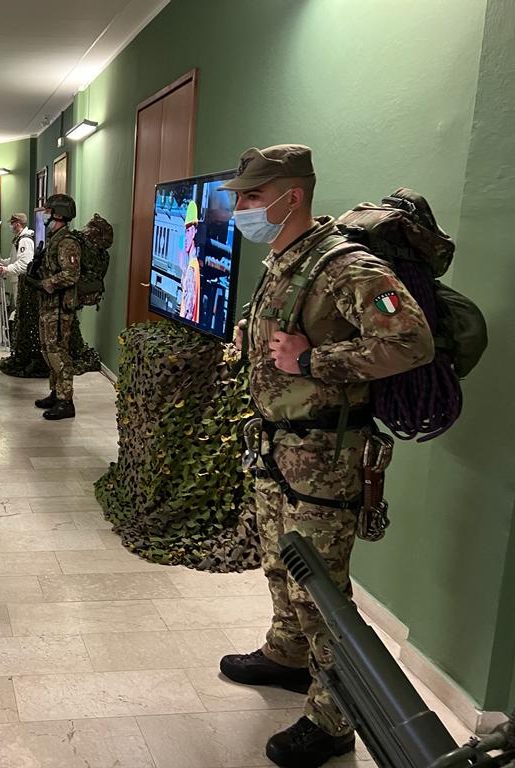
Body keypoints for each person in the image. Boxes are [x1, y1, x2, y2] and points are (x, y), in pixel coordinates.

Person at [218, 144, 434, 768]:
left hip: (324, 454)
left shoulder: (346, 266)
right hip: (276, 444)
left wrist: (313, 360)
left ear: (293, 197)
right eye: (240, 197)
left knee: (322, 594)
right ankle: (287, 655)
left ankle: (334, 718)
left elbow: (411, 342)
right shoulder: (286, 260)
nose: (242, 208)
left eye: (252, 197)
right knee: (278, 564)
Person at [32, 193, 82, 421]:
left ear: (59, 214)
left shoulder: (67, 242)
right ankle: (56, 392)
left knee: (57, 352)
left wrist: (46, 283)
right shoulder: (54, 238)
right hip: (48, 305)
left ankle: (66, 401)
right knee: (47, 350)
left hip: (60, 308)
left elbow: (71, 274)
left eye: (48, 211)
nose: (45, 215)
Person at [0, 212, 35, 311]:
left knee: (21, 309)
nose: (11, 226)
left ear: (17, 224)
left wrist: (7, 269)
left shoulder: (25, 241)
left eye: (12, 223)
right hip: (17, 280)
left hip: (22, 281)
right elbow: (15, 259)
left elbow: (24, 264)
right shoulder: (19, 239)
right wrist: (3, 262)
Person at [178, 200, 201, 323]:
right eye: (185, 231)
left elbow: (188, 313)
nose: (185, 237)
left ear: (193, 233)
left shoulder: (192, 268)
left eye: (188, 231)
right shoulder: (191, 265)